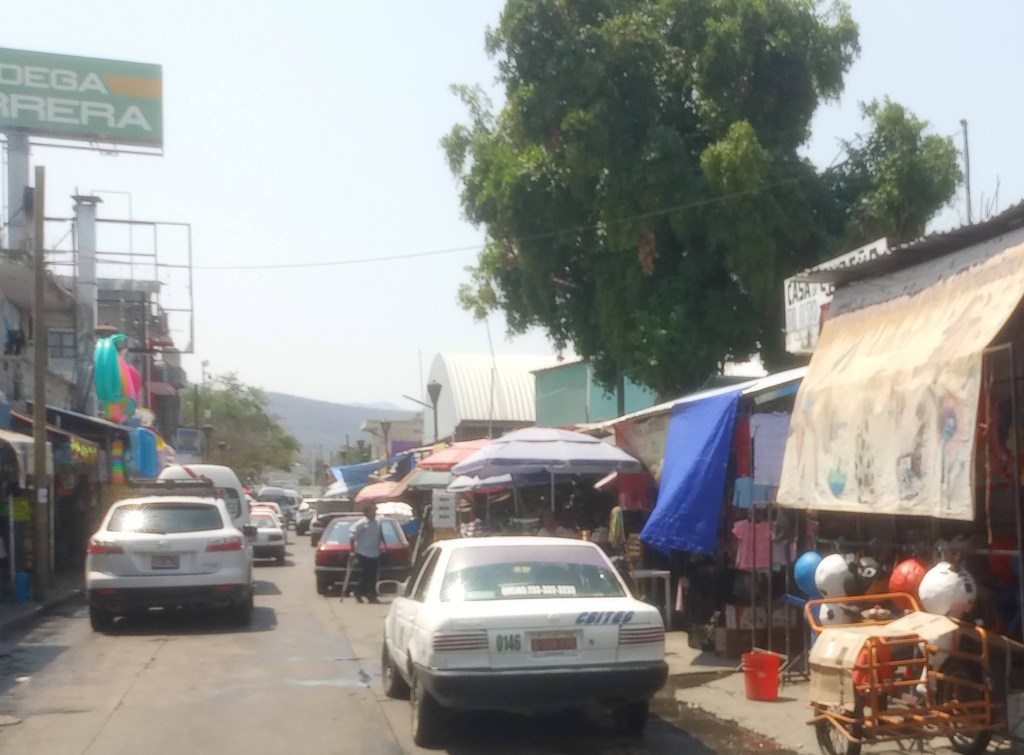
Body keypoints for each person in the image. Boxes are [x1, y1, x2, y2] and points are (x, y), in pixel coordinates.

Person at [349, 503, 383, 604]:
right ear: (367, 513)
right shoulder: (361, 523)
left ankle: (372, 596)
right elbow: (352, 536)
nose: (374, 513)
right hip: (363, 553)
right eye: (373, 511)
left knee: (373, 576)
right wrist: (352, 550)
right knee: (366, 574)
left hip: (375, 552)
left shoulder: (378, 522)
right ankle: (358, 592)